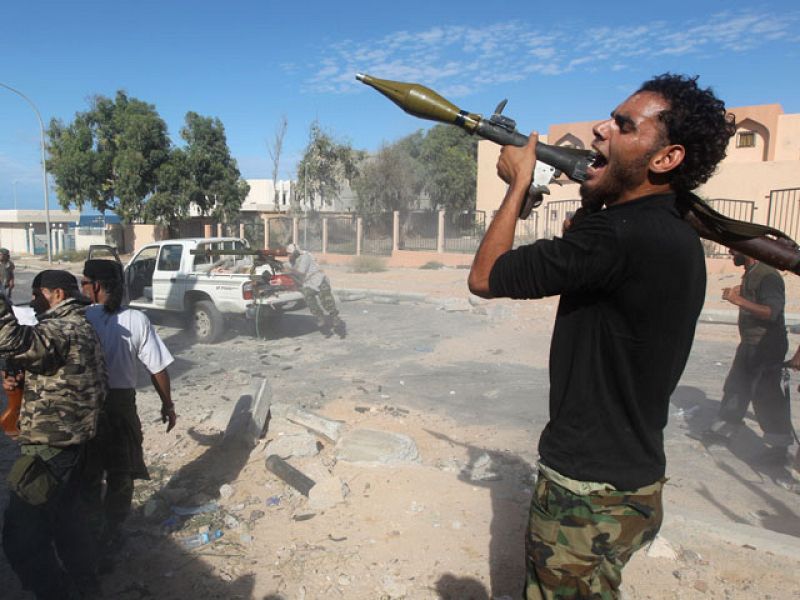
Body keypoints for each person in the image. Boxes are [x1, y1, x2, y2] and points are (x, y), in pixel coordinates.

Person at [468, 74, 735, 599]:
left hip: (584, 493)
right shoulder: (671, 232)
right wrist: (593, 198)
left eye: (622, 125)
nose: (598, 129)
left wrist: (518, 184)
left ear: (665, 158)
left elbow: (485, 277)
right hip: (635, 483)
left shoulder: (616, 237)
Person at [0, 269, 106, 599]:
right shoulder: (80, 326)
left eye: (37, 294)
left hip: (51, 451)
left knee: (20, 536)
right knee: (67, 524)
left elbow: (10, 340)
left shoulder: (61, 327)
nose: (32, 302)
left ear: (57, 294)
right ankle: (86, 586)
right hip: (72, 448)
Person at [79, 259, 176, 560]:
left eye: (84, 282)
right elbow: (157, 368)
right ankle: (111, 533)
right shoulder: (137, 319)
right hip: (121, 406)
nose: (81, 287)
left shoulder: (82, 316)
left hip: (86, 405)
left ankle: (90, 534)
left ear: (96, 286)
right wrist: (168, 405)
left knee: (90, 472)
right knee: (121, 474)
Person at [699, 251, 793, 464]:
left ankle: (778, 449)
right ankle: (723, 431)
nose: (731, 252)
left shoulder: (768, 275)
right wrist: (742, 292)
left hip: (766, 346)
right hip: (750, 344)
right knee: (736, 387)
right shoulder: (752, 272)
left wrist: (738, 300)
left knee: (767, 396)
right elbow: (759, 295)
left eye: (734, 248)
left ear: (750, 252)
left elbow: (772, 312)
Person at [285, 243, 344, 335]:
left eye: (289, 253)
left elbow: (300, 272)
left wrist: (289, 270)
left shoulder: (305, 257)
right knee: (308, 295)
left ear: (295, 253)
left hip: (319, 279)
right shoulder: (293, 261)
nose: (288, 255)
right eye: (287, 253)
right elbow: (288, 267)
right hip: (309, 283)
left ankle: (335, 318)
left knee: (326, 300)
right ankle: (320, 317)